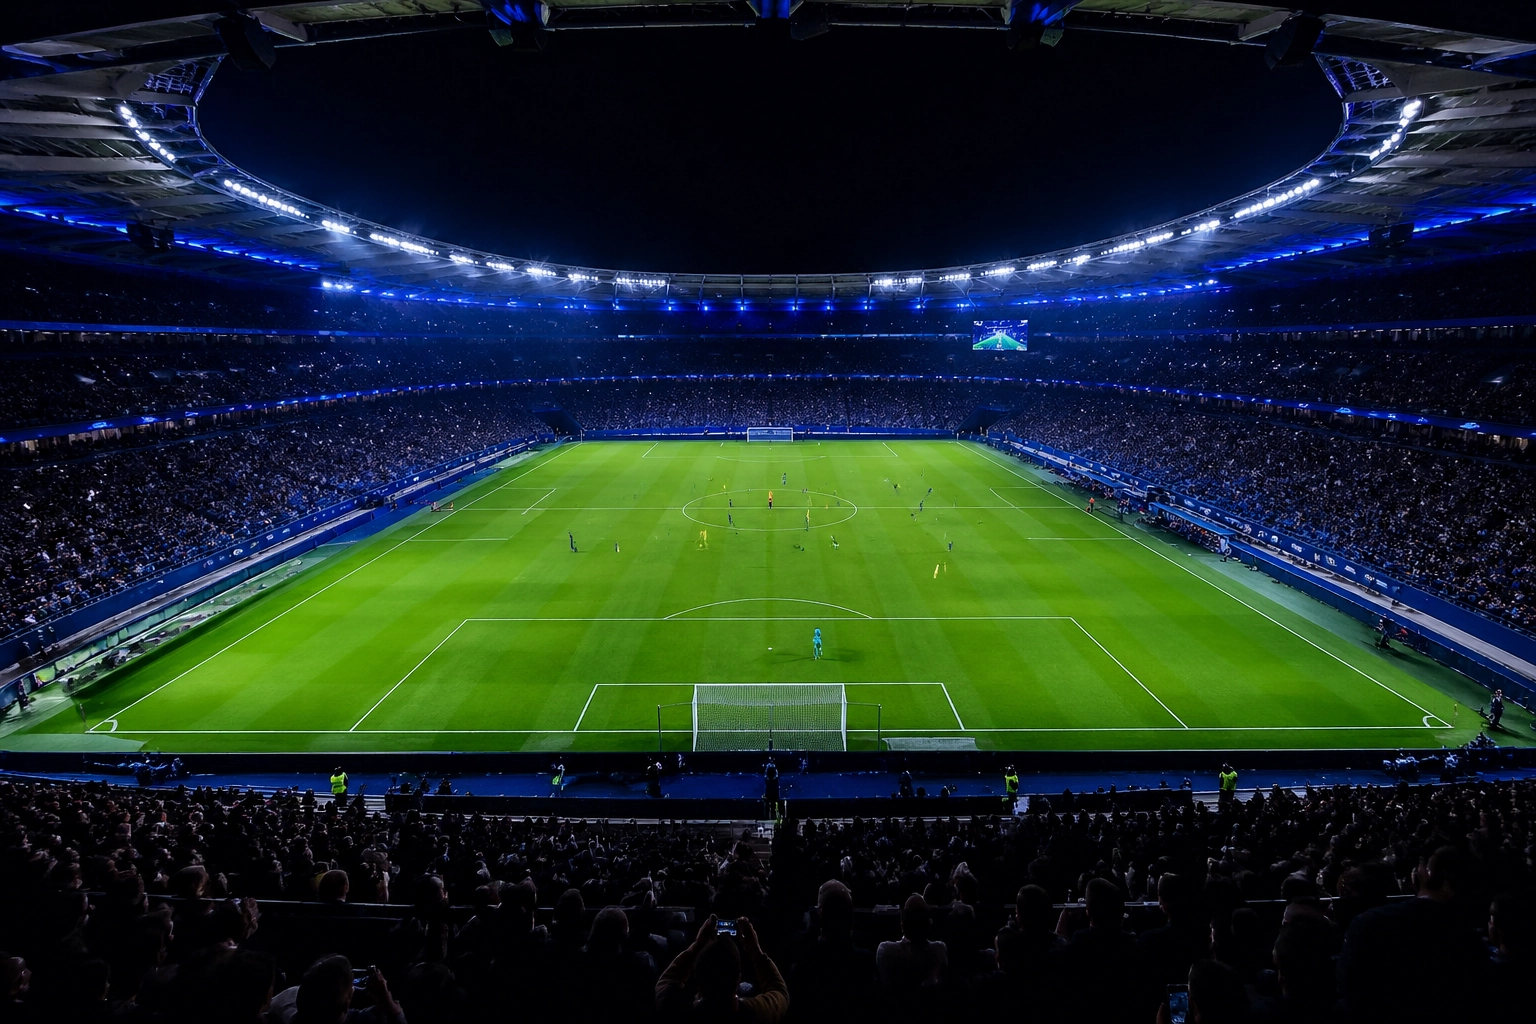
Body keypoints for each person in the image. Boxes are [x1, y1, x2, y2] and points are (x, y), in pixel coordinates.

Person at [656, 916, 787, 1023]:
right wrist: (756, 952)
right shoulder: (756, 1013)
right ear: (737, 980)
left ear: (698, 979)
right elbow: (780, 992)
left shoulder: (676, 1010)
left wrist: (697, 946)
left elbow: (667, 980)